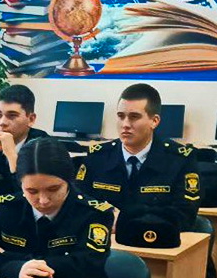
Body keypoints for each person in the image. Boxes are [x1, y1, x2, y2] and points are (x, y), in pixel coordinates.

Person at [0, 138, 111, 278]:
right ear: (20, 184)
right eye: (32, 191)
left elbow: (86, 270)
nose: (43, 201)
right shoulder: (7, 208)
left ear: (69, 180)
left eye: (53, 189)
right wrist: (14, 270)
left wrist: (5, 256)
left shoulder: (93, 214)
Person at [76, 83, 201, 231]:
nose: (125, 124)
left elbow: (185, 215)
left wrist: (125, 221)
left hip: (154, 239)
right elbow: (78, 203)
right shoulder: (97, 157)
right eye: (121, 116)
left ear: (154, 121)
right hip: (104, 238)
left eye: (134, 117)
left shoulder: (180, 160)